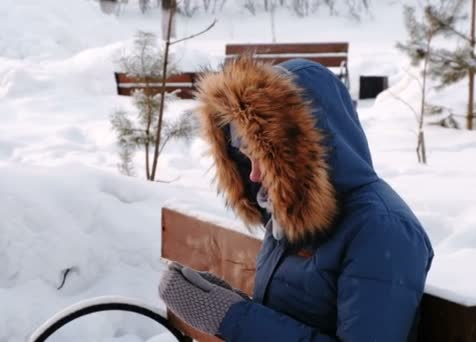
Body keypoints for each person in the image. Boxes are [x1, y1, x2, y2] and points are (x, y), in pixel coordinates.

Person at [158, 56, 434, 341]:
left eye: (264, 158)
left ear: (303, 152)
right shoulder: (292, 213)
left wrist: (232, 317)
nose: (252, 176)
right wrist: (228, 302)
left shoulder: (382, 230)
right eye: (247, 158)